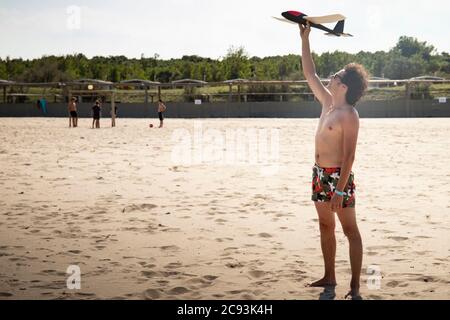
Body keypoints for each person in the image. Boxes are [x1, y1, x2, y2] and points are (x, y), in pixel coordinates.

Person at [300, 22, 368, 300]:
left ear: (344, 85)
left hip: (338, 178)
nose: (331, 76)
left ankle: (354, 286)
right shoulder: (328, 103)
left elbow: (349, 156)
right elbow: (309, 72)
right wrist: (305, 38)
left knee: (350, 229)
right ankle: (329, 275)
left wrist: (340, 189)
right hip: (319, 175)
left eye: (336, 75)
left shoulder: (349, 114)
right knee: (325, 225)